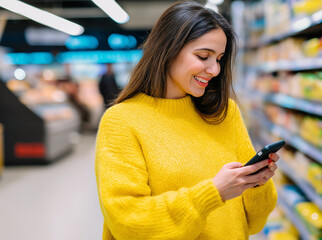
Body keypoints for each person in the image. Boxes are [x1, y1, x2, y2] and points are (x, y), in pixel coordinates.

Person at [95, 1, 278, 239]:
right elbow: (127, 222)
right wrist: (214, 193)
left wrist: (256, 183)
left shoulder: (224, 113)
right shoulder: (122, 121)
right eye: (204, 56)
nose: (215, 70)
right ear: (168, 50)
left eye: (219, 59)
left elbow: (251, 223)